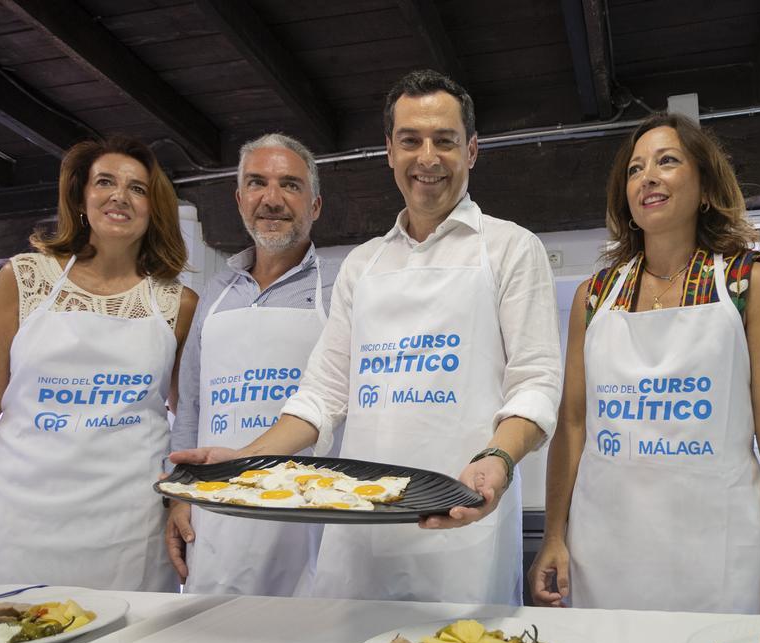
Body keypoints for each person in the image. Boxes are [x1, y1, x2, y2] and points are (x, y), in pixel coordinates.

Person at [171, 69, 562, 605]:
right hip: (357, 537)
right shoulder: (364, 263)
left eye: (444, 141)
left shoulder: (511, 248)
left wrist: (497, 457)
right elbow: (321, 396)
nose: (427, 158)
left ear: (470, 150)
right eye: (410, 141)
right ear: (389, 151)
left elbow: (537, 384)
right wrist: (245, 461)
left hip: (458, 524)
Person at [526, 113, 760, 615]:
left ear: (705, 185)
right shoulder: (594, 297)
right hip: (607, 548)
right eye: (636, 170)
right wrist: (555, 533)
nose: (649, 177)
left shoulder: (748, 283)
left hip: (721, 548)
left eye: (667, 161)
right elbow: (573, 424)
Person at [0, 136, 198, 590]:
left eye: (137, 189)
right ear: (80, 197)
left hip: (129, 525)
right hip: (14, 516)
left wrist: (185, 498)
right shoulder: (24, 278)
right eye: (105, 182)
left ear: (154, 208)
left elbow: (190, 419)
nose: (119, 195)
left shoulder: (179, 303)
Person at [165, 133, 338, 596]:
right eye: (258, 183)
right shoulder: (214, 295)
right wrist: (180, 496)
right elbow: (191, 408)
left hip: (306, 514)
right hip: (217, 514)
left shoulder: (341, 290)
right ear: (241, 200)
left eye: (291, 185)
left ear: (315, 205)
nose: (272, 199)